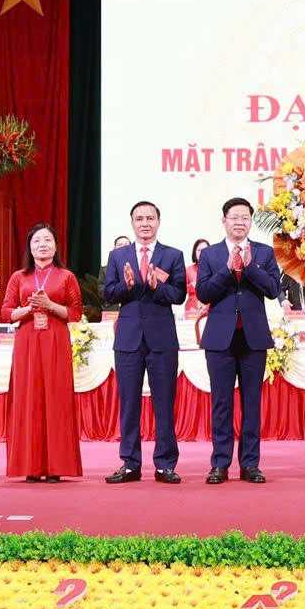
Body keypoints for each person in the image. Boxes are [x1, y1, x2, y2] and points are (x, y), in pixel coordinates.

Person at [196, 197, 281, 484]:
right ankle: (220, 464)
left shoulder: (264, 253)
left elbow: (273, 290)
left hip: (253, 338)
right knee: (221, 403)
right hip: (220, 339)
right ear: (224, 221)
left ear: (250, 221)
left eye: (245, 217)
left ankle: (250, 465)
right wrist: (227, 269)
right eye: (234, 217)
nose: (240, 222)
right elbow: (204, 293)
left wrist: (250, 267)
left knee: (252, 404)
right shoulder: (210, 255)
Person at [103, 201, 187, 484]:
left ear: (158, 222)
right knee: (129, 404)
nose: (145, 223)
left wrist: (156, 286)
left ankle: (165, 464)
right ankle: (130, 463)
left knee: (164, 403)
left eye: (150, 218)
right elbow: (109, 294)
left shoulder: (172, 255)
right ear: (132, 223)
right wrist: (126, 286)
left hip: (162, 339)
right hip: (128, 339)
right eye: (139, 219)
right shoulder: (118, 256)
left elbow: (179, 295)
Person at [0, 224, 84, 483]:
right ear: (30, 247)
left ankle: (56, 466)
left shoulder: (66, 276)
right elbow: (6, 312)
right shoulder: (19, 277)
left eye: (47, 240)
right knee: (28, 399)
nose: (42, 245)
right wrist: (28, 309)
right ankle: (31, 466)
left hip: (56, 340)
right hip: (27, 342)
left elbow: (75, 313)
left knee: (56, 399)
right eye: (36, 241)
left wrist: (50, 305)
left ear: (56, 246)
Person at [183, 238, 212, 315]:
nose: (202, 253)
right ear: (194, 252)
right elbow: (181, 290)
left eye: (205, 250)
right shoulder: (188, 270)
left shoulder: (214, 270)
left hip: (211, 310)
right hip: (192, 310)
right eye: (199, 250)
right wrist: (191, 285)